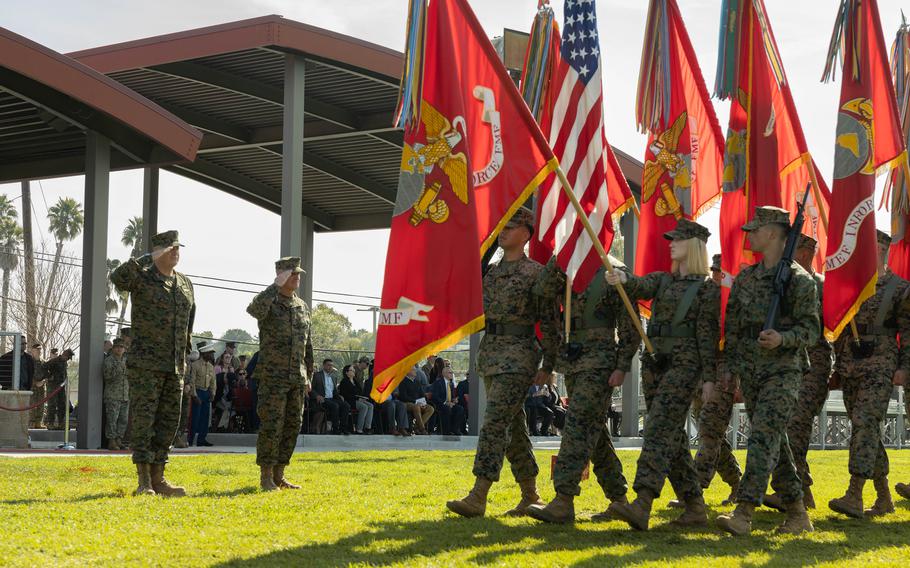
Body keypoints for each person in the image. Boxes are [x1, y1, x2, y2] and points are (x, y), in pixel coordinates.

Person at [603, 219, 716, 531]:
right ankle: (694, 507)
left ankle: (642, 502)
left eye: (678, 240)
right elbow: (639, 285)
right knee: (673, 437)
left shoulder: (707, 291)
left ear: (693, 245)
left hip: (684, 367)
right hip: (655, 366)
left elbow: (707, 337)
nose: (671, 243)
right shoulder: (663, 281)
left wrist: (709, 378)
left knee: (656, 429)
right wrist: (622, 278)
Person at [447, 208, 558, 518]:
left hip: (520, 357)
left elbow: (549, 322)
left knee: (494, 422)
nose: (504, 231)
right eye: (502, 225)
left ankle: (478, 495)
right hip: (492, 354)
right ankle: (530, 494)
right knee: (513, 427)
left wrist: (549, 365)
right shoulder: (491, 272)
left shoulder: (536, 273)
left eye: (511, 226)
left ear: (527, 232)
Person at [715, 207, 818, 535]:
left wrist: (783, 338)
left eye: (755, 230)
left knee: (761, 438)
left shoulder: (800, 281)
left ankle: (744, 512)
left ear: (773, 233)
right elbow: (732, 326)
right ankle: (798, 514)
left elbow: (812, 331)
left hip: (784, 371)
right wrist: (730, 369)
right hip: (752, 371)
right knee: (775, 442)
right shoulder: (747, 277)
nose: (749, 235)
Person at [828, 230, 908, 519]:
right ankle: (884, 497)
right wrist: (837, 367)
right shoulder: (851, 286)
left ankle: (854, 493)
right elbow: (838, 328)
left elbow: (908, 333)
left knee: (864, 423)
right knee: (867, 430)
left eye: (875, 246)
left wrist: (904, 367)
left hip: (881, 364)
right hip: (850, 365)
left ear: (884, 249)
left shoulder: (900, 288)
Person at [110, 230, 195, 497]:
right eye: (170, 248)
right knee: (144, 422)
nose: (176, 252)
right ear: (158, 251)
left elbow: (189, 321)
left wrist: (185, 354)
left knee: (169, 422)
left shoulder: (184, 283)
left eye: (178, 247)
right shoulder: (142, 277)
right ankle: (144, 480)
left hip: (175, 365)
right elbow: (117, 278)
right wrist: (146, 257)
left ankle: (160, 478)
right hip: (146, 364)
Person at [763, 234, 833, 511]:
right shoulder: (786, 280)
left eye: (800, 250)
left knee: (797, 426)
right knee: (789, 426)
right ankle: (800, 490)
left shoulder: (817, 284)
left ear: (807, 253)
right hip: (790, 359)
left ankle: (795, 492)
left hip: (813, 360)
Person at [247, 257, 313, 491]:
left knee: (292, 426)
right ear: (281, 276)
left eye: (298, 274)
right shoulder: (269, 301)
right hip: (273, 377)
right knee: (272, 426)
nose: (297, 278)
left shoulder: (302, 306)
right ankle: (265, 476)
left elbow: (308, 347)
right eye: (292, 274)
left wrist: (309, 376)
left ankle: (279, 474)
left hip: (297, 377)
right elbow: (253, 310)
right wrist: (274, 286)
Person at [310, 359, 351, 435]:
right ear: (324, 365)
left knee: (346, 405)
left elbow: (334, 391)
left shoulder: (333, 377)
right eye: (328, 365)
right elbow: (311, 389)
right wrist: (317, 396)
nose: (330, 367)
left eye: (331, 365)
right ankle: (335, 429)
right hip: (323, 399)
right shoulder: (317, 375)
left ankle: (343, 428)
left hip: (332, 398)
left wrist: (339, 396)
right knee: (335, 406)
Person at [103, 338, 130, 450]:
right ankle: (112, 441)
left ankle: (119, 440)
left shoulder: (126, 361)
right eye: (117, 347)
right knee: (112, 420)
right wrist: (119, 369)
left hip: (125, 395)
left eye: (121, 347)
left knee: (123, 419)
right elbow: (107, 377)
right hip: (112, 395)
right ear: (113, 348)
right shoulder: (109, 361)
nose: (119, 349)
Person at [188, 341, 216, 447]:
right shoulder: (195, 365)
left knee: (205, 418)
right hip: (198, 392)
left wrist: (212, 393)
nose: (212, 355)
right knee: (195, 418)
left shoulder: (211, 367)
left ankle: (201, 439)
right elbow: (192, 381)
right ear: (204, 353)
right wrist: (194, 395)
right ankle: (190, 440)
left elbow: (213, 382)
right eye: (210, 353)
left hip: (206, 393)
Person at [339, 364, 375, 434]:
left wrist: (361, 398)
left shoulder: (355, 381)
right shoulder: (344, 381)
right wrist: (357, 398)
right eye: (351, 370)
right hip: (350, 401)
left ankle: (367, 427)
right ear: (346, 372)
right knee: (364, 407)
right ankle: (359, 429)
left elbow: (360, 391)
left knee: (370, 405)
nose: (353, 371)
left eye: (353, 370)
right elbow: (345, 395)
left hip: (358, 399)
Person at [44, 349, 74, 430]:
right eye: (68, 357)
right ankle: (50, 423)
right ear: (64, 355)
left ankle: (61, 423)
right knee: (52, 405)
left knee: (62, 404)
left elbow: (63, 373)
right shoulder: (54, 361)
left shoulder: (64, 362)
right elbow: (44, 367)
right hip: (53, 386)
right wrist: (49, 376)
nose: (68, 359)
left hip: (61, 386)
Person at [399, 367, 434, 434]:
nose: (415, 371)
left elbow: (422, 395)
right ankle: (422, 428)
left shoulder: (417, 382)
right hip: (407, 403)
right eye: (413, 370)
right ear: (408, 372)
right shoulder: (403, 382)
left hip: (418, 403)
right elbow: (403, 397)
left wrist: (423, 402)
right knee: (416, 407)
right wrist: (415, 402)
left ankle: (416, 427)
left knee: (430, 408)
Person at [432, 366, 465, 435]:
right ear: (444, 374)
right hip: (440, 404)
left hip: (449, 403)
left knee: (460, 409)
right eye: (450, 372)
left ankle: (455, 429)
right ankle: (446, 431)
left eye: (452, 372)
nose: (452, 374)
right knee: (446, 409)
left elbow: (451, 396)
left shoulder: (451, 383)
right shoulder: (438, 383)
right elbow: (435, 397)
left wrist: (454, 400)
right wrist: (445, 403)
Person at [27, 342, 46, 429]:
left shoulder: (43, 362)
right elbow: (26, 374)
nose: (39, 351)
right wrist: (35, 383)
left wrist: (43, 381)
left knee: (41, 405)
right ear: (32, 351)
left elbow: (47, 374)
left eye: (40, 349)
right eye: (37, 349)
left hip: (41, 388)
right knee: (32, 405)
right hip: (32, 388)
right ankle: (32, 423)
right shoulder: (29, 361)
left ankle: (38, 423)